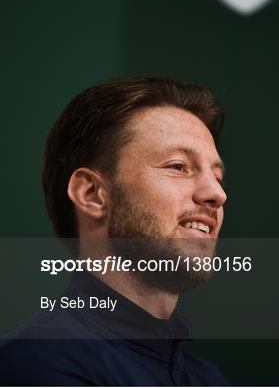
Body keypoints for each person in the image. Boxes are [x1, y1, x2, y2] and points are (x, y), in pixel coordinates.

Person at [0, 77, 230, 386]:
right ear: (92, 194)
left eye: (217, 176)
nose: (217, 193)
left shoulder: (209, 379)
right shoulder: (37, 365)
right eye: (178, 166)